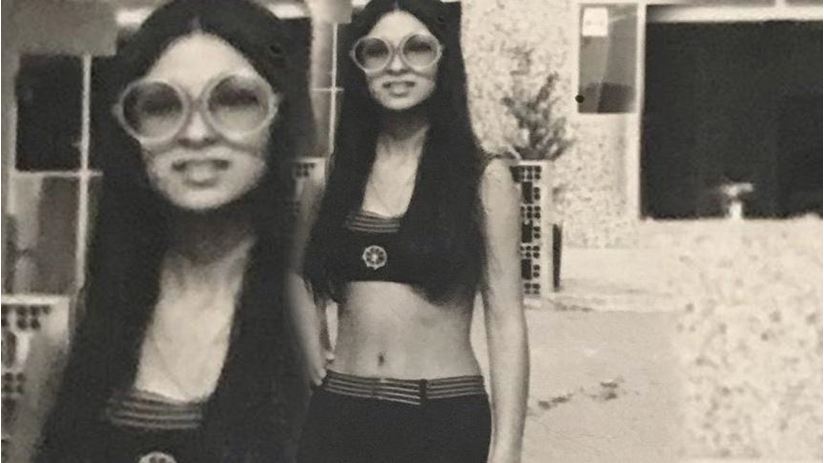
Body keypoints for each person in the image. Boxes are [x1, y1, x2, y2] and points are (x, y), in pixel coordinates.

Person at [9, 0, 314, 461]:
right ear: (130, 131)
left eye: (234, 99)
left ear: (280, 116)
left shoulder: (330, 329)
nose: (195, 133)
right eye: (162, 105)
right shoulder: (71, 334)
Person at [288, 0, 529, 462]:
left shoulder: (483, 180)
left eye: (417, 48)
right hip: (339, 412)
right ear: (359, 65)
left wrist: (508, 447)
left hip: (440, 415)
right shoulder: (332, 178)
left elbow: (506, 320)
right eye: (377, 51)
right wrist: (310, 340)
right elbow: (295, 271)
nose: (396, 66)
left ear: (444, 59)